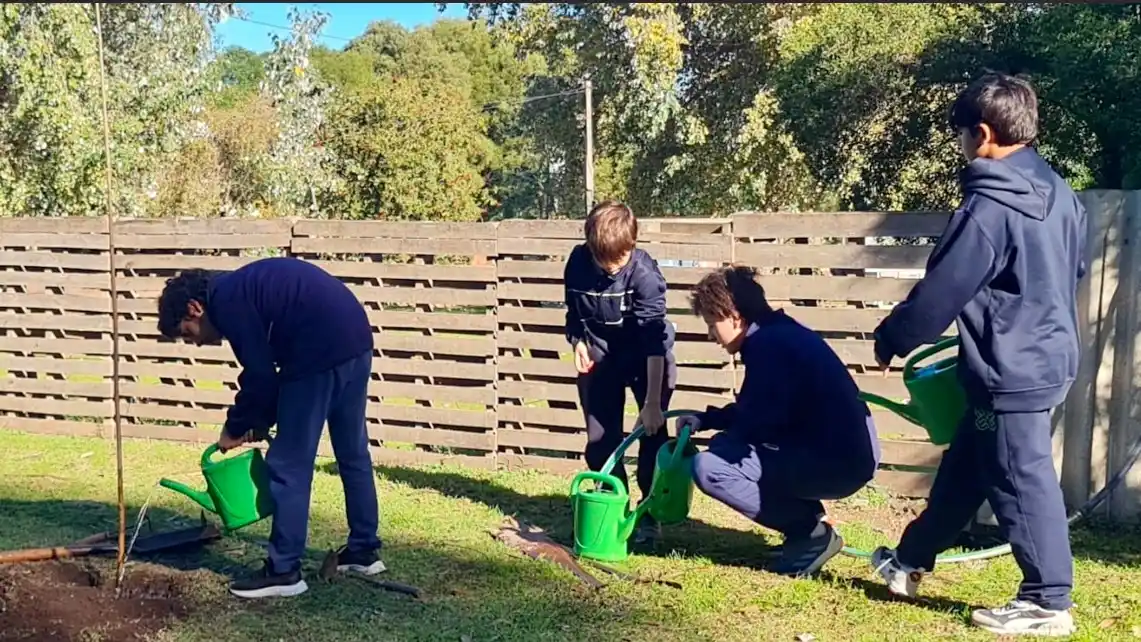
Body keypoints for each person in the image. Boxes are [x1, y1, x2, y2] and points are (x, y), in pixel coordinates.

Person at [869, 72, 1085, 637]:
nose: (961, 145)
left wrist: (893, 336)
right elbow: (1075, 269)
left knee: (1020, 476)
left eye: (962, 135)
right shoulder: (1059, 193)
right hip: (1047, 355)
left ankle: (1046, 600)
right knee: (968, 466)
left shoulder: (988, 206)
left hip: (1012, 367)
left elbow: (941, 293)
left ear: (983, 134)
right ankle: (910, 560)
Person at [157, 257, 385, 599]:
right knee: (352, 452)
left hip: (317, 350)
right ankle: (364, 552)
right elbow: (267, 376)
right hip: (354, 339)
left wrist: (235, 427)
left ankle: (283, 571)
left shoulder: (229, 301)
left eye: (187, 334)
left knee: (288, 465)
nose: (195, 344)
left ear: (194, 309)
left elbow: (260, 375)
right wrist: (260, 420)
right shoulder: (236, 287)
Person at [677, 265, 880, 577]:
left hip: (838, 463)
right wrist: (708, 420)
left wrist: (720, 434)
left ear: (733, 315)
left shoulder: (768, 346)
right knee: (728, 448)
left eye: (711, 323)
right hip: (846, 457)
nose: (710, 335)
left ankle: (811, 534)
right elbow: (759, 411)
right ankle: (808, 527)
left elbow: (759, 421)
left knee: (711, 468)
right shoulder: (778, 334)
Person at [564, 200, 676, 547]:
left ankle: (649, 516)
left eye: (619, 259)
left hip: (647, 362)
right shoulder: (578, 263)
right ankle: (613, 505)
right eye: (602, 258)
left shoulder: (644, 275)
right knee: (601, 440)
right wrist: (577, 342)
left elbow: (655, 344)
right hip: (602, 358)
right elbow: (573, 311)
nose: (611, 267)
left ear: (632, 245)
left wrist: (654, 403)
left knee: (652, 438)